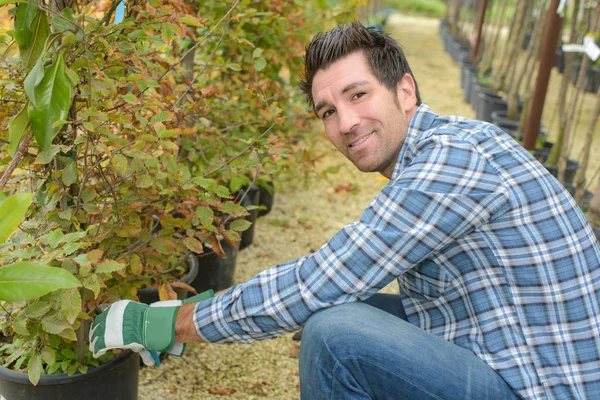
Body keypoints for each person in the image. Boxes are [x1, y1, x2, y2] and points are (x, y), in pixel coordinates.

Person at [90, 22, 600, 399]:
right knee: (335, 309)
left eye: (358, 95)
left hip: (542, 386)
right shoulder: (448, 144)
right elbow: (330, 284)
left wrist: (163, 323)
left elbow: (321, 278)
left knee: (334, 335)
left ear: (405, 90)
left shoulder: (452, 163)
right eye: (328, 112)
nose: (346, 123)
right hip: (509, 344)